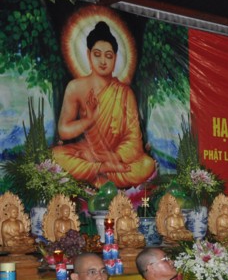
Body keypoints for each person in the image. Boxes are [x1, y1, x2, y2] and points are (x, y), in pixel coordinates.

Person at [53, 21, 155, 188]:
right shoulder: (75, 87)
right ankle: (102, 171)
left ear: (115, 58)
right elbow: (64, 131)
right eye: (97, 54)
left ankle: (95, 175)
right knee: (56, 156)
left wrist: (112, 157)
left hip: (113, 157)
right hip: (89, 153)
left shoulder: (125, 93)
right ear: (88, 55)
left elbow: (133, 139)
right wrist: (89, 120)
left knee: (146, 164)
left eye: (108, 56)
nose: (103, 61)